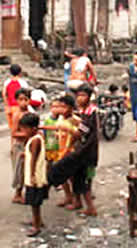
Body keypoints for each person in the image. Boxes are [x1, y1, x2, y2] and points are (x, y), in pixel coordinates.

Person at [48, 85, 98, 217]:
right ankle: (78, 202)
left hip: (86, 151)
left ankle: (91, 208)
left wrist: (70, 129)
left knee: (83, 181)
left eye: (83, 95)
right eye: (79, 95)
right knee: (77, 178)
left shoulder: (90, 112)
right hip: (79, 151)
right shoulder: (82, 112)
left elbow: (81, 132)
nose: (80, 98)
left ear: (89, 97)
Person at [20, 113, 49, 237]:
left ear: (33, 128)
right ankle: (38, 221)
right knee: (35, 202)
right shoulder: (37, 137)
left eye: (25, 128)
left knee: (34, 203)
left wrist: (32, 175)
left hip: (35, 176)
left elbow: (34, 159)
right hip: (37, 175)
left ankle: (36, 226)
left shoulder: (35, 140)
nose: (23, 131)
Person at [11, 89, 31, 204]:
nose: (23, 102)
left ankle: (25, 191)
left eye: (26, 99)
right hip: (20, 145)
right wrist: (27, 134)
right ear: (17, 101)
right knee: (19, 170)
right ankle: (17, 194)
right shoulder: (17, 115)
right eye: (21, 99)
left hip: (28, 144)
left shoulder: (30, 112)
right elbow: (14, 133)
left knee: (27, 169)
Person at [2, 64, 29, 130]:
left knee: (12, 128)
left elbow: (4, 94)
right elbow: (27, 95)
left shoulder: (7, 82)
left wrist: (7, 106)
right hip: (19, 107)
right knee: (22, 127)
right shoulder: (22, 82)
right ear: (20, 72)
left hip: (10, 107)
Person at [42, 100, 61, 168]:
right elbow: (44, 133)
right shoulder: (47, 120)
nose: (55, 109)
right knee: (49, 164)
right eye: (53, 107)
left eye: (57, 107)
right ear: (50, 108)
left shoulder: (62, 120)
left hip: (60, 147)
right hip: (50, 146)